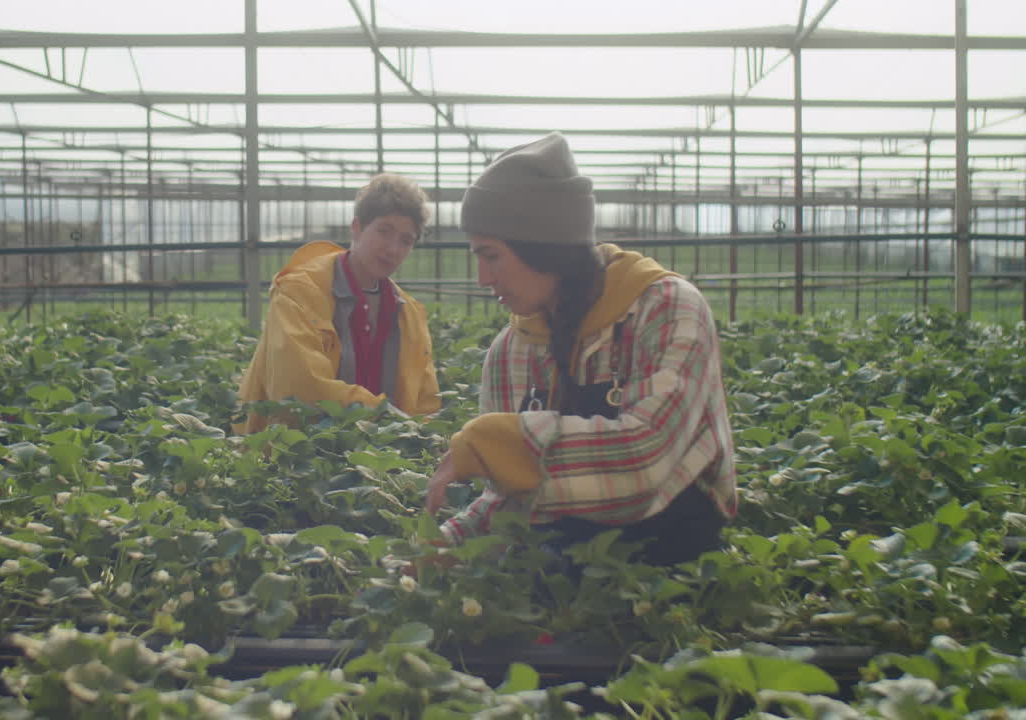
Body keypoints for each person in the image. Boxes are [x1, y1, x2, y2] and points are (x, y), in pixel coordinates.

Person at [424, 133, 737, 566]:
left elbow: (645, 460)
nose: (482, 278)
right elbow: (509, 500)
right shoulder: (511, 352)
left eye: (491, 255)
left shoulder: (667, 310)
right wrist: (443, 545)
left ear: (543, 247)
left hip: (676, 570)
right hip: (560, 564)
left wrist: (502, 442)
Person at [234, 173, 441, 435]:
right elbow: (300, 388)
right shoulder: (299, 292)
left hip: (380, 459)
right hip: (290, 456)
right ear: (356, 227)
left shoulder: (408, 313)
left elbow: (425, 402)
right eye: (384, 231)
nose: (393, 249)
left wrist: (423, 436)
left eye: (406, 241)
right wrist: (387, 416)